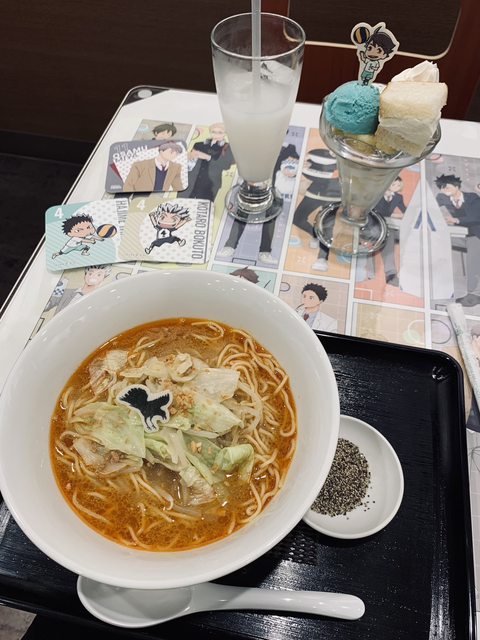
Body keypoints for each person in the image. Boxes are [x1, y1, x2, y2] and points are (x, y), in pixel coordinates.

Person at [218, 139, 300, 265]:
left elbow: (295, 164)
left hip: (272, 189)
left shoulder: (290, 148)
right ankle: (230, 246)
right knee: (242, 215)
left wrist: (292, 167)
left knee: (270, 221)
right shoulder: (256, 142)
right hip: (250, 184)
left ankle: (265, 252)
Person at [291, 148, 341, 271]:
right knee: (297, 218)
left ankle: (322, 258)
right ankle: (316, 234)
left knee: (327, 225)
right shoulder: (319, 155)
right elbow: (312, 172)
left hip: (334, 193)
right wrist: (305, 165)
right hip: (315, 191)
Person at [435, 174, 480, 306]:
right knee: (436, 239)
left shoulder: (472, 197)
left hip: (476, 233)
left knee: (472, 261)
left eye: (447, 186)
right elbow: (430, 207)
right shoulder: (443, 198)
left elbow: (476, 217)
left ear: (457, 186)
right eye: (442, 187)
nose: (444, 189)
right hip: (460, 234)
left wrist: (456, 220)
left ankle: (474, 294)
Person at [183, 123, 234, 202]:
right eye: (214, 132)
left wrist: (208, 157)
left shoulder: (228, 148)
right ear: (210, 132)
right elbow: (190, 163)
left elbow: (226, 166)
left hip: (210, 183)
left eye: (220, 132)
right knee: (182, 203)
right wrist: (189, 157)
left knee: (204, 206)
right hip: (191, 180)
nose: (216, 134)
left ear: (225, 133)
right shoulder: (198, 144)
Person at [373, 177, 406, 286]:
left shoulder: (398, 197)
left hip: (389, 225)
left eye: (398, 185)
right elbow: (378, 211)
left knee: (406, 235)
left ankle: (399, 273)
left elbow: (405, 210)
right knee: (388, 237)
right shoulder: (378, 193)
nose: (396, 187)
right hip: (375, 224)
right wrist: (395, 215)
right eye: (393, 184)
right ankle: (390, 274)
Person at [44, 265, 112, 315]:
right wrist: (58, 288)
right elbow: (46, 307)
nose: (93, 276)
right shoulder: (66, 292)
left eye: (99, 275)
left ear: (103, 278)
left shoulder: (99, 299)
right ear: (85, 275)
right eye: (90, 273)